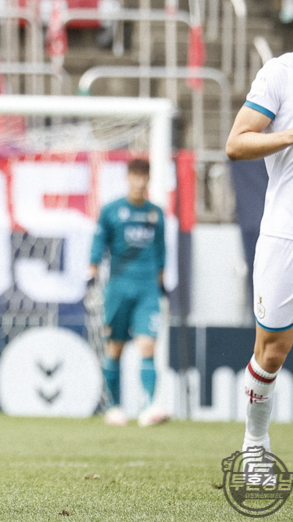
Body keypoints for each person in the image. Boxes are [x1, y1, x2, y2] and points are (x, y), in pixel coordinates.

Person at [226, 0, 293, 452]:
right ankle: (255, 443)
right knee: (272, 351)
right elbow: (237, 143)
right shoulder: (281, 74)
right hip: (288, 232)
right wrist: (291, 135)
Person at [87, 159, 169, 428]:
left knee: (148, 345)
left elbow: (161, 249)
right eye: (135, 176)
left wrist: (162, 280)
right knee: (115, 347)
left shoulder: (155, 213)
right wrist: (92, 268)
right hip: (118, 288)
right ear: (127, 178)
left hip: (147, 289)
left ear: (148, 179)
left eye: (144, 176)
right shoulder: (111, 210)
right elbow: (99, 241)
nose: (139, 181)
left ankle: (149, 406)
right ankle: (113, 407)